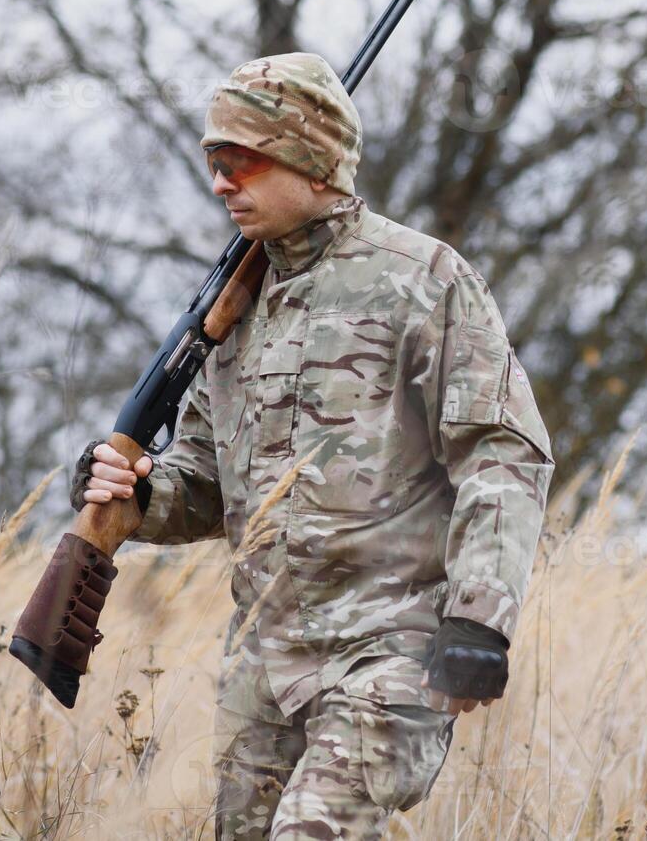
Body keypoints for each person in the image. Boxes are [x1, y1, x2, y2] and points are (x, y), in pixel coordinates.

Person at [68, 52, 554, 839]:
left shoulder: (422, 278)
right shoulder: (232, 310)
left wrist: (479, 620)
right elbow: (209, 481)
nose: (223, 182)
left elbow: (503, 451)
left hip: (391, 650)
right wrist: (139, 495)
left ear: (311, 160)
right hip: (262, 665)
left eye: (241, 161)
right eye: (214, 165)